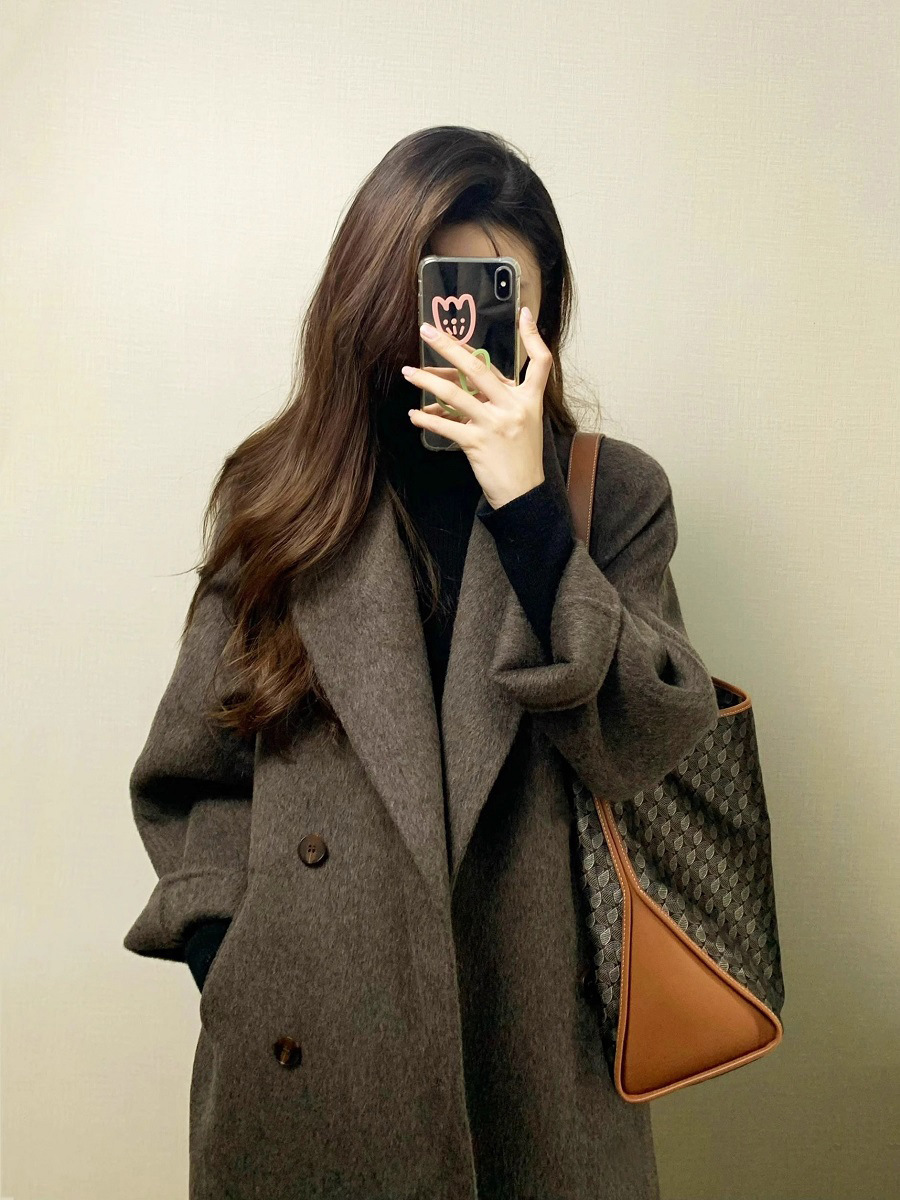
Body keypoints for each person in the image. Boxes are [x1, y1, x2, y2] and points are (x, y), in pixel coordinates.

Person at [123, 125, 720, 1200]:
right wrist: (236, 960)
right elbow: (192, 771)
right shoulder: (279, 495)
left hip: (536, 1069)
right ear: (368, 297)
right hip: (313, 1058)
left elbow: (649, 743)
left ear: (541, 314)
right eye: (436, 293)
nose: (461, 331)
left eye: (496, 299)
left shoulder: (614, 497)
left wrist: (529, 509)